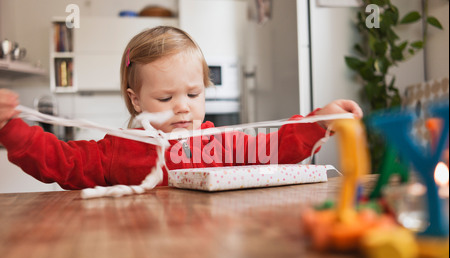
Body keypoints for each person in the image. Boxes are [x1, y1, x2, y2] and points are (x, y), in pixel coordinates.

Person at [0, 26, 363, 190]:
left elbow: (278, 147)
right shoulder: (115, 150)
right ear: (135, 99)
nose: (183, 109)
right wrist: (11, 129)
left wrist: (320, 120)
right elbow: (63, 162)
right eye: (165, 99)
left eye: (193, 94)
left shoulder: (220, 145)